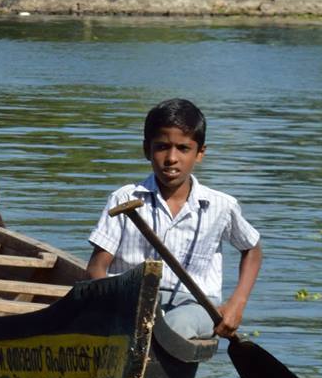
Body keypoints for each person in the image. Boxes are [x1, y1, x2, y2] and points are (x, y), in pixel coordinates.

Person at [85, 98, 261, 339]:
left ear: (200, 153)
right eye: (161, 147)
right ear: (147, 149)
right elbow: (96, 268)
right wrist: (111, 306)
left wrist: (236, 304)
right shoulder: (124, 198)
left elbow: (251, 249)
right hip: (130, 300)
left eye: (183, 148)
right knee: (138, 323)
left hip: (196, 306)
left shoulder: (220, 206)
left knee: (177, 327)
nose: (171, 158)